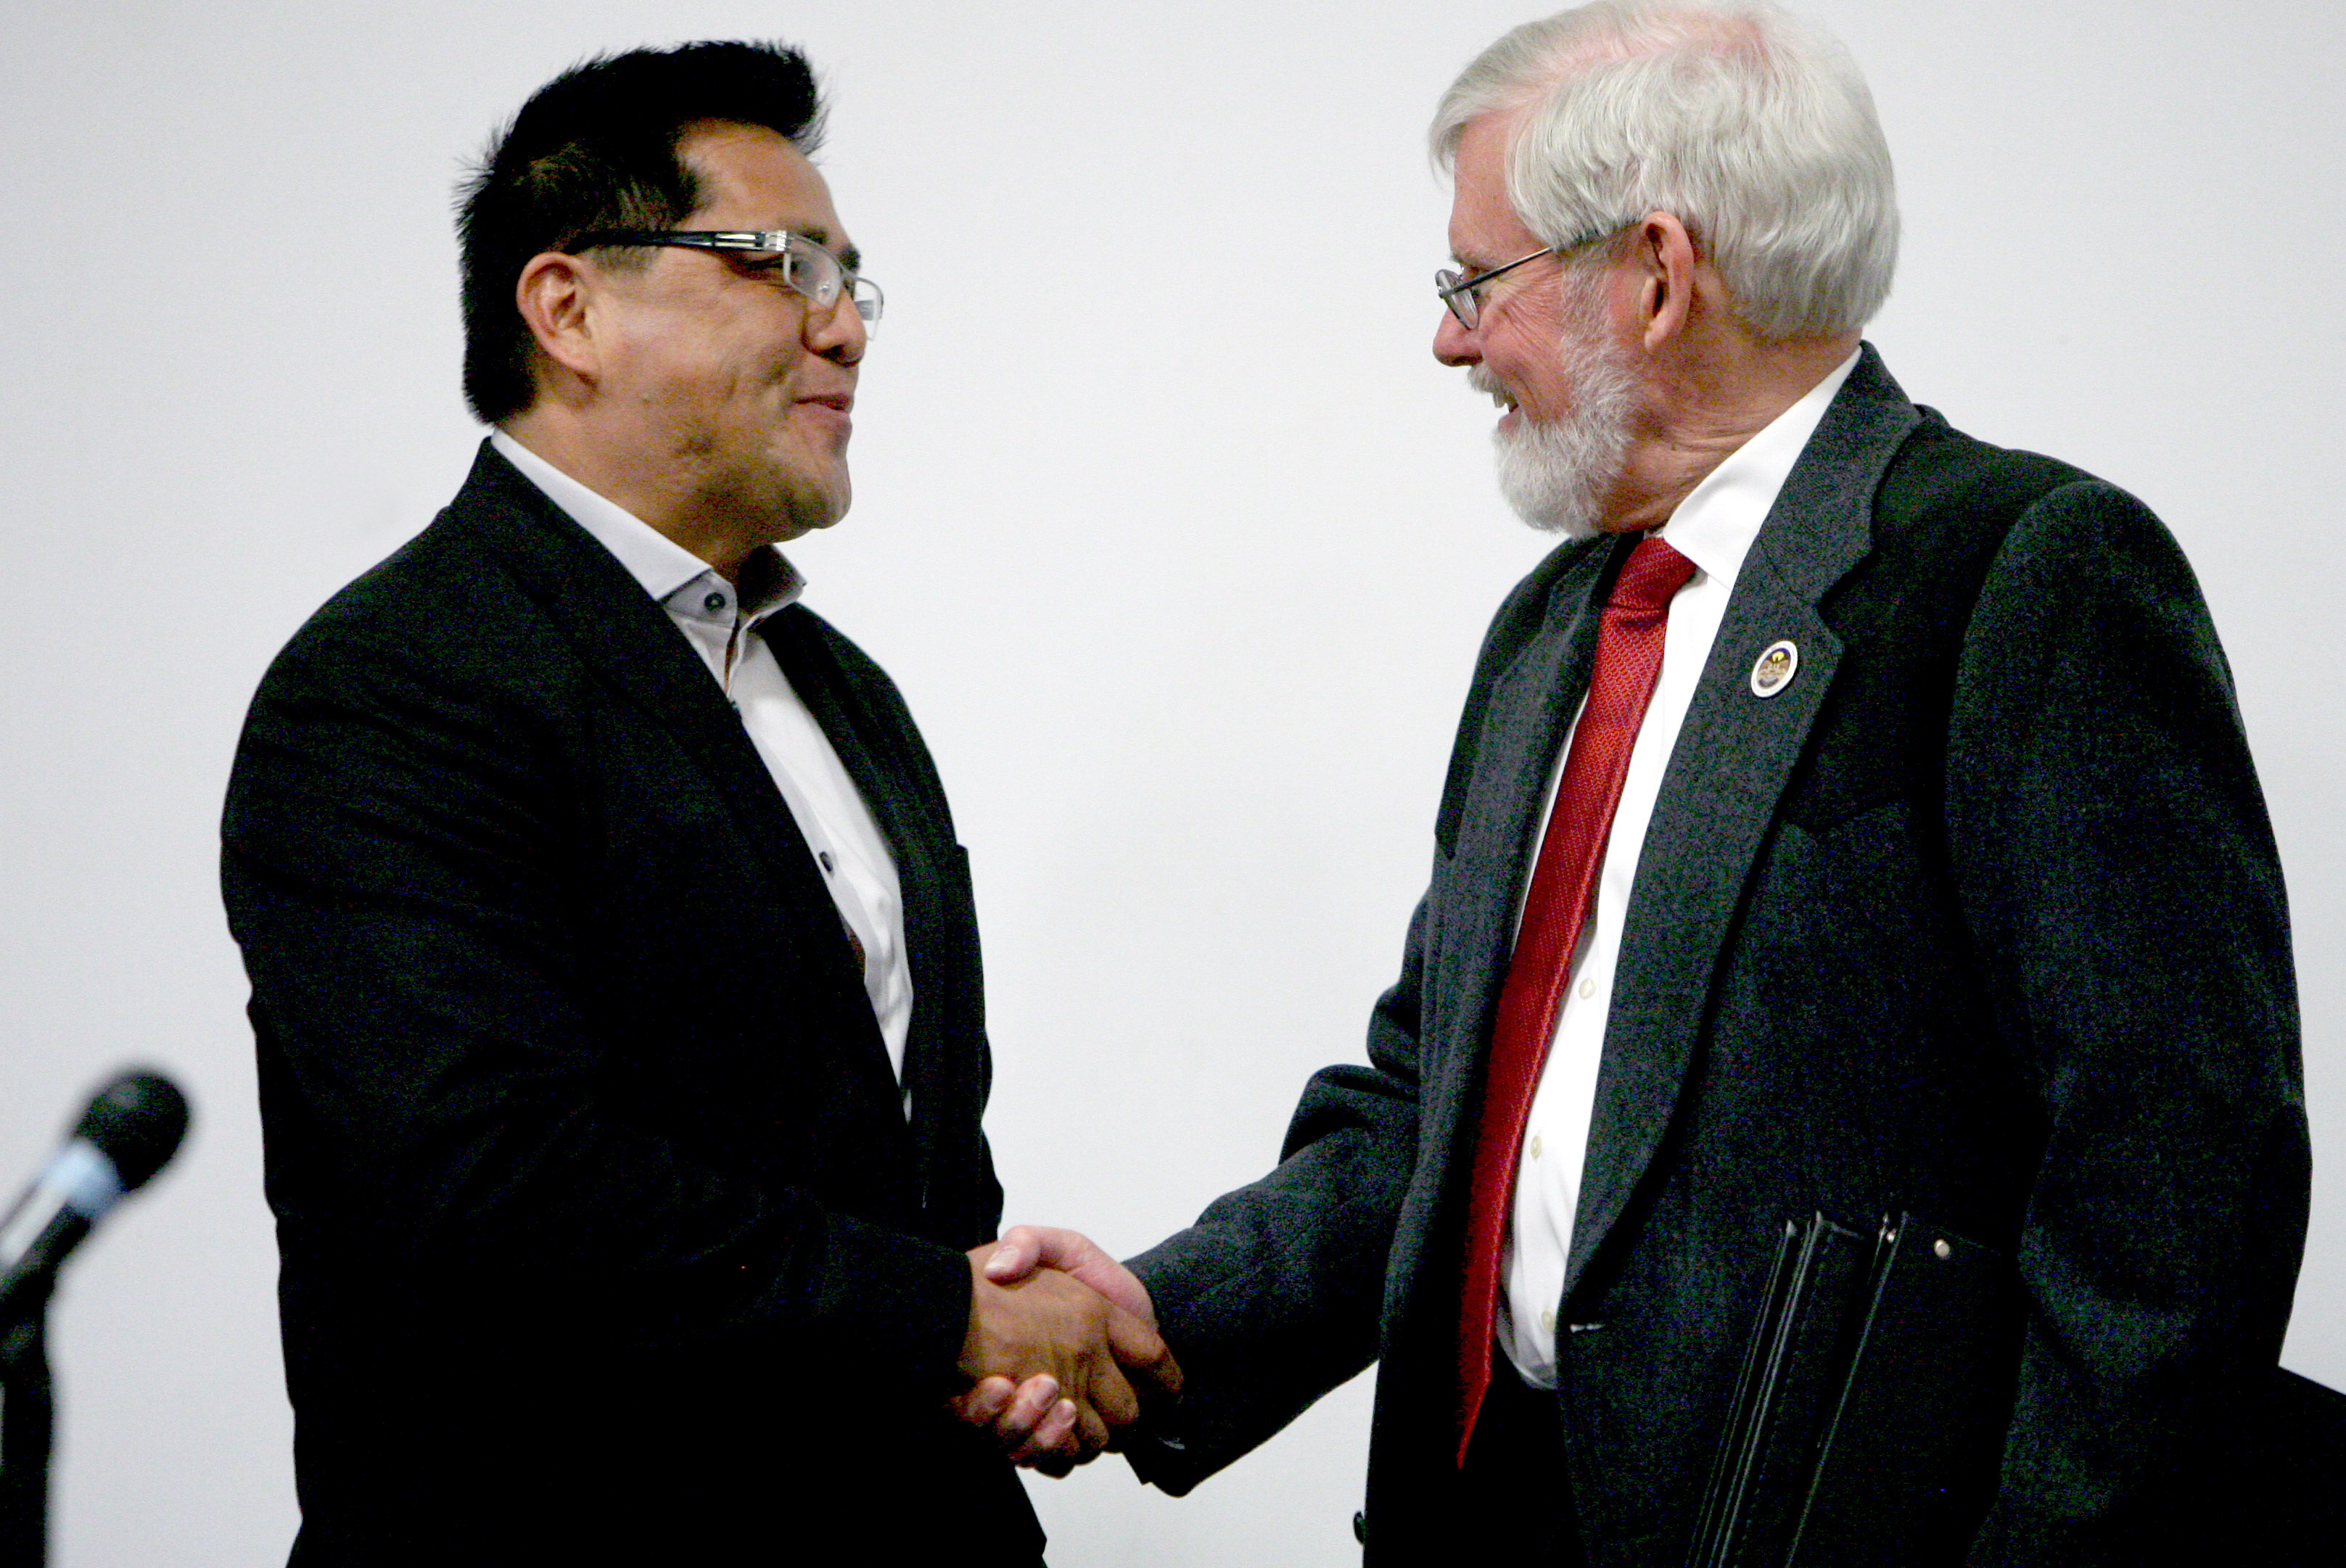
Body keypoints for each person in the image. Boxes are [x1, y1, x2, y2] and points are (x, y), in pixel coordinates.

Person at [979, 2, 2308, 1561]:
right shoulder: (1553, 630)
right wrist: (1159, 1314)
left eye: (1479, 282)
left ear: (1657, 276)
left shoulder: (2026, 576)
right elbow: (1437, 1107)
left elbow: (2173, 1186)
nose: (1450, 339)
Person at [220, 41, 1172, 1566]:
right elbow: (492, 1179)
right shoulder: (397, 682)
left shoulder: (836, 687)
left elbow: (895, 1159)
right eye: (779, 264)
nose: (845, 326)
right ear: (568, 310)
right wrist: (952, 1316)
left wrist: (988, 1328)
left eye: (855, 278)